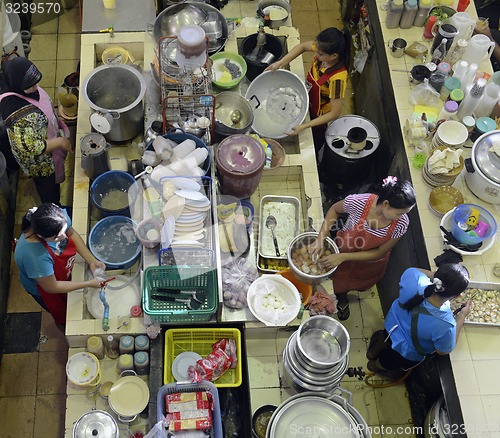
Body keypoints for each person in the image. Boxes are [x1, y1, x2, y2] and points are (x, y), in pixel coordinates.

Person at [310, 176, 416, 320]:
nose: (402, 217)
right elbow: (335, 210)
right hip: (345, 248)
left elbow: (380, 252)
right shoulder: (358, 202)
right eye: (399, 213)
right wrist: (320, 239)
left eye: (405, 213)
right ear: (385, 204)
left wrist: (343, 257)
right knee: (338, 279)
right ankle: (340, 294)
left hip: (369, 261)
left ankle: (344, 295)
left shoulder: (401, 223)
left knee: (357, 281)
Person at [366, 264, 472, 379]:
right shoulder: (446, 324)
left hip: (391, 326)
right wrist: (461, 317)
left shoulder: (414, 278)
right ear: (458, 295)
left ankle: (372, 353)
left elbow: (414, 270)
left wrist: (438, 278)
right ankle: (375, 367)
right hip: (406, 351)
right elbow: (443, 351)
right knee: (388, 360)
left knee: (383, 339)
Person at [14, 203, 106, 326]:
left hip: (57, 275)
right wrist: (89, 283)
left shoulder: (56, 217)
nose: (64, 237)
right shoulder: (34, 256)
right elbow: (52, 287)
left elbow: (71, 234)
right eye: (57, 237)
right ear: (42, 237)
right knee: (62, 315)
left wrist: (91, 260)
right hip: (45, 288)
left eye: (64, 230)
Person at [265, 27, 350, 155]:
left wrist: (304, 126)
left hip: (318, 117)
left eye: (320, 54)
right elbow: (303, 47)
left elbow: (334, 113)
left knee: (315, 142)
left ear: (333, 56)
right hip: (307, 98)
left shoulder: (337, 79)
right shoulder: (323, 50)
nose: (315, 54)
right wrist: (280, 63)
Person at [0, 57, 72, 205]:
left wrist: (55, 120)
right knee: (48, 189)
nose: (36, 87)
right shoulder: (20, 116)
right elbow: (31, 148)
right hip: (40, 162)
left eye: (36, 82)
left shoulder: (22, 86)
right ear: (18, 85)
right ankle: (53, 210)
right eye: (30, 86)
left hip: (45, 137)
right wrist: (60, 141)